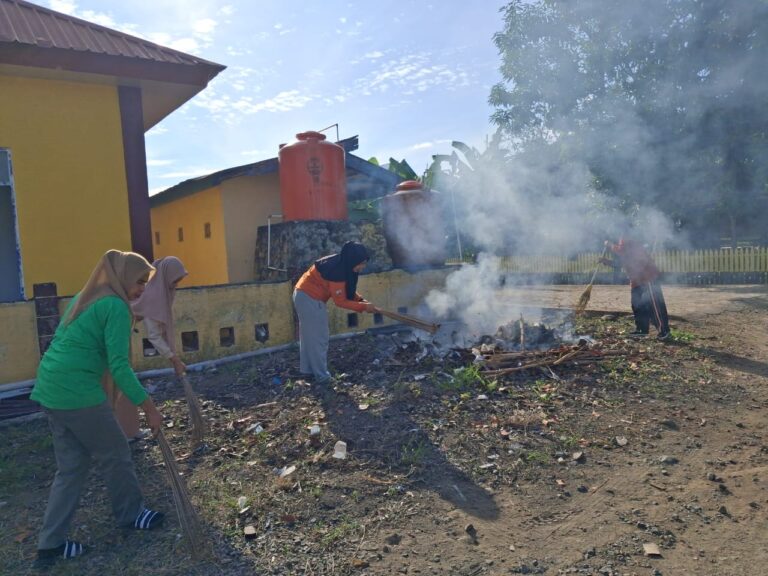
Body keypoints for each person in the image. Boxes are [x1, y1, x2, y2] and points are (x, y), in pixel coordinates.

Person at [30, 250, 166, 564]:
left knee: (71, 467)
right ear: (122, 276)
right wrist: (149, 408)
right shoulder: (115, 306)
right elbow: (119, 366)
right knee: (116, 452)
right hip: (78, 392)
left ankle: (50, 545)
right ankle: (132, 514)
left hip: (51, 387)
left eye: (145, 283)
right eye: (139, 281)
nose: (142, 289)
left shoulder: (88, 297)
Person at [293, 241, 377, 384]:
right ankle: (322, 377)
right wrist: (363, 307)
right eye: (361, 263)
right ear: (353, 260)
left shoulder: (342, 264)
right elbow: (341, 301)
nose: (363, 267)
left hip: (303, 296)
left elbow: (347, 290)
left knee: (310, 338)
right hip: (310, 299)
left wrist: (361, 300)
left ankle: (308, 371)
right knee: (319, 338)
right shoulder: (337, 271)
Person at [602, 237, 671, 340]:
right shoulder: (622, 242)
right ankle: (641, 330)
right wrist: (607, 262)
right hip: (636, 281)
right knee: (637, 305)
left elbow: (623, 251)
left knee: (654, 306)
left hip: (648, 278)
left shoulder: (629, 239)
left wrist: (610, 245)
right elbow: (622, 262)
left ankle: (664, 331)